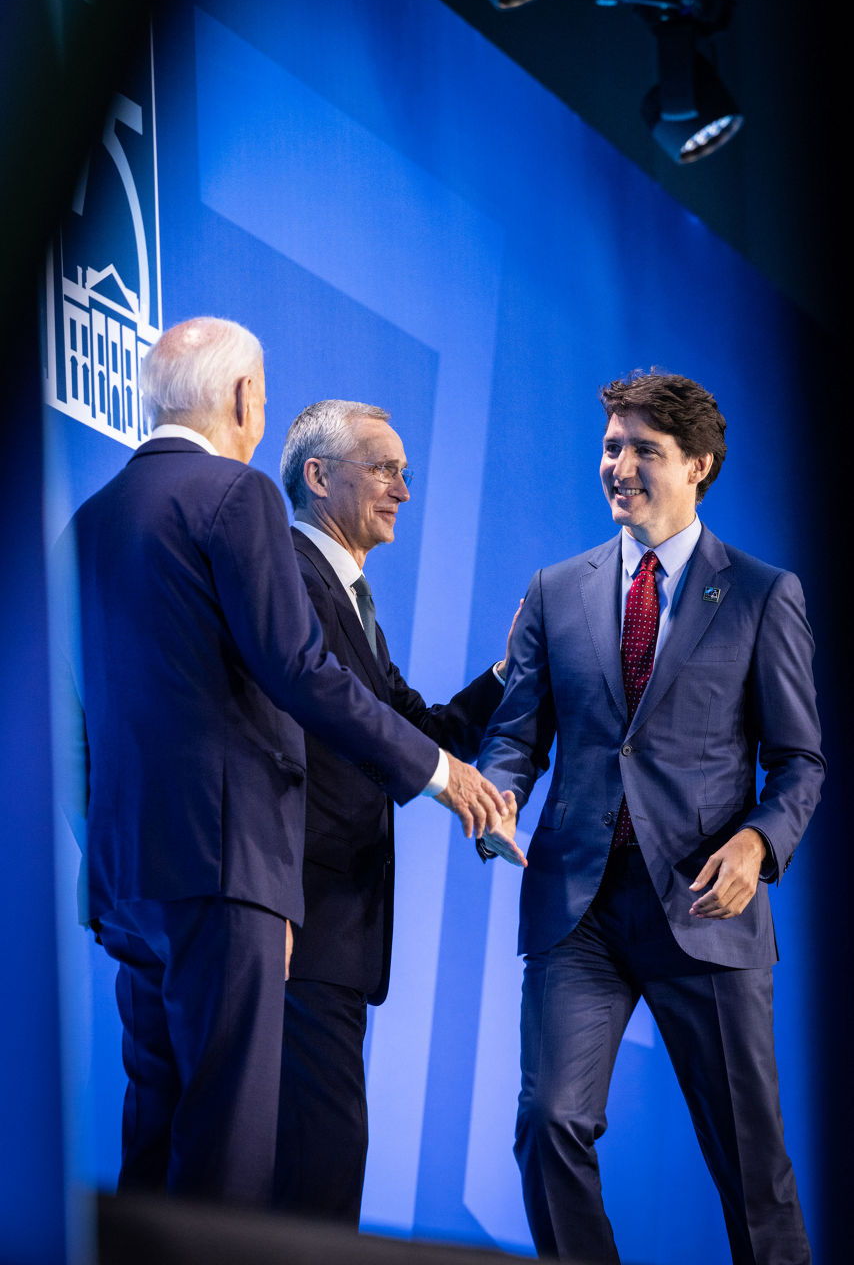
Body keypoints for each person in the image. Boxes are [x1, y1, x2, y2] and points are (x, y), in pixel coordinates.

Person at [57, 317, 511, 1209]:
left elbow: (70, 721)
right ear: (244, 398)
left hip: (127, 880)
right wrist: (439, 772)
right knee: (227, 1151)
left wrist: (102, 845)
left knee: (155, 1138)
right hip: (228, 874)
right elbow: (299, 670)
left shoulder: (86, 521)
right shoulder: (237, 496)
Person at [478, 370, 824, 1264]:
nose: (619, 466)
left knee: (753, 1170)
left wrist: (758, 842)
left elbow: (799, 763)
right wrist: (497, 790)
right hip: (579, 908)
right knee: (549, 1121)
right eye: (611, 447)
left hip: (705, 906)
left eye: (643, 450)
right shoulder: (557, 590)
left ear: (699, 465)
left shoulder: (759, 594)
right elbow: (518, 733)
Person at [274, 400, 526, 1224]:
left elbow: (415, 732)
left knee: (320, 1160)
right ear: (318, 477)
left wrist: (506, 668)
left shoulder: (349, 595)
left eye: (405, 473)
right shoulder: (286, 572)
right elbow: (350, 719)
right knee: (316, 1166)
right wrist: (446, 777)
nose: (403, 492)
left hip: (336, 935)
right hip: (296, 924)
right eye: (383, 469)